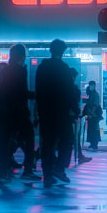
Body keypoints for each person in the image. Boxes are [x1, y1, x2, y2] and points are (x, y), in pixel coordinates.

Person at [34, 39, 77, 187]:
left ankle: (48, 174)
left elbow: (38, 91)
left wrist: (38, 111)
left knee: (48, 143)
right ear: (63, 51)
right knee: (67, 139)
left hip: (46, 112)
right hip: (61, 112)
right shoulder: (64, 68)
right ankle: (59, 167)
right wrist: (75, 108)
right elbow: (70, 90)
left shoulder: (42, 67)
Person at [0, 44, 37, 182]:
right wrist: (35, 95)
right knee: (29, 137)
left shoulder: (6, 71)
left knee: (7, 140)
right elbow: (22, 92)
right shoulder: (20, 71)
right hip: (19, 111)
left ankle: (3, 170)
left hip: (7, 111)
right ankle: (28, 169)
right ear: (22, 56)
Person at [82, 80, 102, 151]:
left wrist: (91, 114)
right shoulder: (90, 94)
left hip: (94, 115)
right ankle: (92, 143)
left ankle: (94, 144)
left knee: (94, 130)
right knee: (90, 129)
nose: (91, 86)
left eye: (92, 85)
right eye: (90, 85)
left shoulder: (95, 95)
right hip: (90, 115)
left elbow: (95, 105)